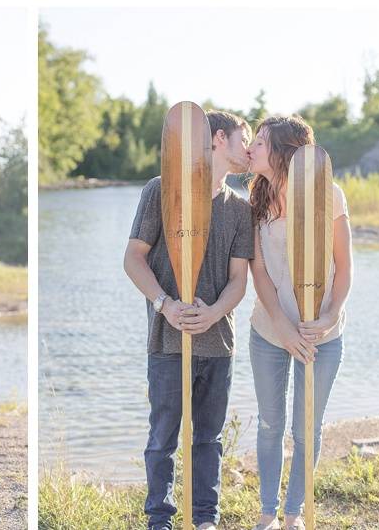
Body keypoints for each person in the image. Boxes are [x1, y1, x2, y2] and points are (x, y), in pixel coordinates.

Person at [123, 110, 254, 530]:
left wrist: (213, 313)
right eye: (243, 138)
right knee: (162, 439)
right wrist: (166, 304)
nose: (249, 148)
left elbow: (238, 281)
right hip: (166, 339)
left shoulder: (240, 209)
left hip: (218, 345)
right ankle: (159, 519)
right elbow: (133, 259)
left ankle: (204, 519)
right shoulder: (163, 190)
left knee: (208, 440)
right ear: (218, 139)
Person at [247, 116, 352, 530]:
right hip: (270, 331)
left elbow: (343, 268)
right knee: (270, 423)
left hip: (321, 334)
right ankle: (267, 515)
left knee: (307, 428)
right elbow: (259, 272)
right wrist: (282, 325)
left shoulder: (330, 195)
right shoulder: (254, 199)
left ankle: (295, 516)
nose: (252, 147)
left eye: (259, 141)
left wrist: (328, 317)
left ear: (284, 151)